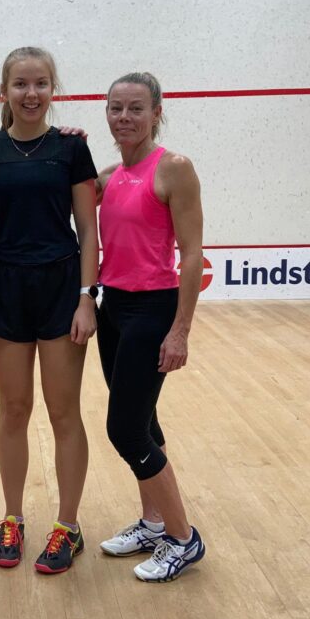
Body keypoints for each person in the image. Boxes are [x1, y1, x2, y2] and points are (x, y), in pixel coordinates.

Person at [0, 47, 99, 574]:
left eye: (41, 83)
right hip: (6, 288)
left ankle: (68, 525)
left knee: (64, 411)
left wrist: (88, 296)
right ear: (4, 91)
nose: (31, 93)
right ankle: (13, 518)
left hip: (62, 288)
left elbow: (88, 230)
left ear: (52, 89)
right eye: (20, 84)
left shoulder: (71, 149)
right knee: (14, 409)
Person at [95, 72, 206, 582]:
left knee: (125, 429)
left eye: (136, 108)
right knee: (145, 421)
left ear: (157, 112)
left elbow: (192, 255)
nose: (124, 117)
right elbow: (69, 182)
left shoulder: (174, 169)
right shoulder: (113, 175)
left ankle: (183, 539)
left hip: (152, 310)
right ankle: (154, 522)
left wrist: (180, 330)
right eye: (116, 108)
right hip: (112, 308)